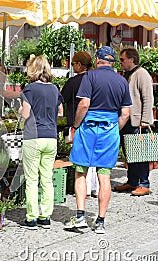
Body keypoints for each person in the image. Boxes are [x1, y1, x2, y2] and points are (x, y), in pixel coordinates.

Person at [64, 46, 131, 234]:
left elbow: (84, 104)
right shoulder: (122, 81)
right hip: (109, 129)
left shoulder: (90, 77)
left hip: (88, 128)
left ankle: (80, 217)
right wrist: (113, 129)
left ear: (97, 60)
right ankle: (100, 221)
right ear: (113, 62)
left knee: (81, 172)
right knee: (104, 175)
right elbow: (125, 114)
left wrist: (76, 126)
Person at [18, 56, 64, 230]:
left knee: (31, 179)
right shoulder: (54, 89)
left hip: (33, 137)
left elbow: (25, 114)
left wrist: (21, 109)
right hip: (51, 137)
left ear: (32, 69)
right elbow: (60, 112)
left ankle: (31, 218)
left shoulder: (30, 89)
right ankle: (45, 217)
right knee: (46, 178)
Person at [114, 47, 154, 196]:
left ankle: (144, 183)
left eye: (122, 59)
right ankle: (132, 181)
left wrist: (144, 120)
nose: (120, 62)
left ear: (131, 59)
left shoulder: (142, 74)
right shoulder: (129, 74)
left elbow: (148, 98)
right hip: (128, 119)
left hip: (137, 121)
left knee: (141, 153)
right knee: (130, 153)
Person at [61, 51, 98, 199]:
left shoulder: (73, 82)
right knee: (94, 156)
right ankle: (94, 188)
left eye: (73, 64)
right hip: (95, 120)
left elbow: (62, 98)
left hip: (79, 121)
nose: (72, 66)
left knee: (83, 158)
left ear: (79, 64)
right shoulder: (95, 79)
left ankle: (86, 189)